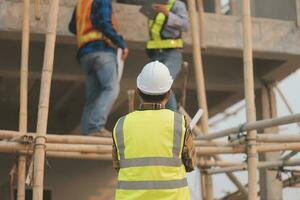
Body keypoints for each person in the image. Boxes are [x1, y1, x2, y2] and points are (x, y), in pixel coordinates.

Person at [112, 61, 196, 200]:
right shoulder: (179, 122)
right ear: (169, 93)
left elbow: (118, 166)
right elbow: (191, 164)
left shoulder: (121, 125)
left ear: (138, 91)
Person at [69, 0, 129, 136]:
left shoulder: (82, 3)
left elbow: (72, 27)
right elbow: (103, 23)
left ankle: (86, 133)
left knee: (92, 97)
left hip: (85, 54)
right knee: (111, 88)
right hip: (101, 51)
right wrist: (120, 43)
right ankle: (96, 126)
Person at [146, 0, 189, 111]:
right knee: (154, 86)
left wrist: (167, 14)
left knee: (164, 82)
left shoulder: (177, 5)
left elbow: (185, 25)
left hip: (172, 53)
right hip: (155, 54)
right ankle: (162, 117)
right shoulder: (154, 4)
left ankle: (172, 117)